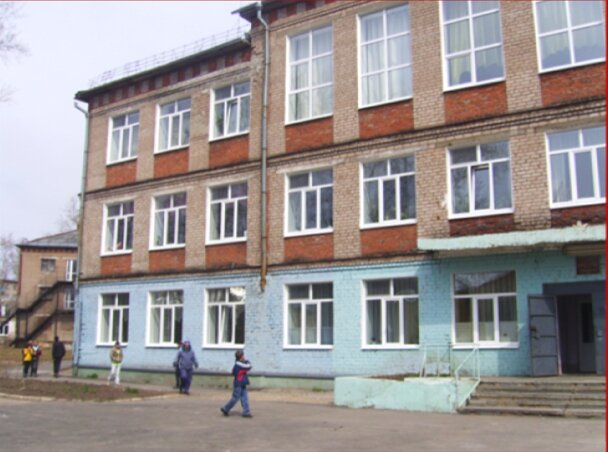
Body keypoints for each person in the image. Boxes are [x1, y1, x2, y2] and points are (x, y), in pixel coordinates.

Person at [220, 350, 253, 418]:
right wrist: (246, 361)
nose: (244, 357)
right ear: (241, 357)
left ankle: (246, 412)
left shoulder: (238, 364)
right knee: (235, 398)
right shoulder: (239, 364)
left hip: (242, 383)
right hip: (239, 383)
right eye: (243, 356)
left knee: (244, 397)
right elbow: (249, 366)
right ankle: (226, 409)